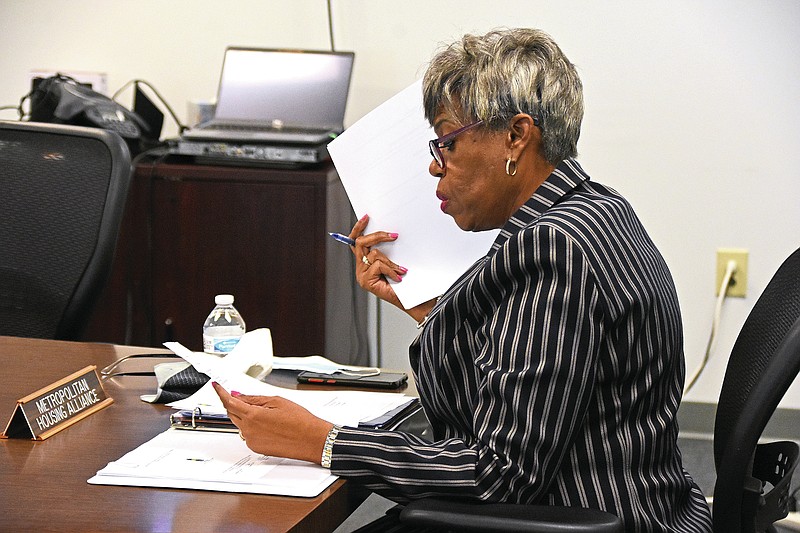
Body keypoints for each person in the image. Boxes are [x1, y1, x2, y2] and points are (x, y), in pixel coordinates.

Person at [214, 28, 713, 531]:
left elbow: (499, 475)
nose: (434, 166)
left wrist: (321, 441)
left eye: (447, 142)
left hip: (578, 517)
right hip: (635, 504)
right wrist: (427, 312)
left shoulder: (552, 249)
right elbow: (536, 371)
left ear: (517, 136)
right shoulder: (596, 211)